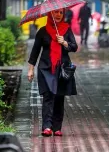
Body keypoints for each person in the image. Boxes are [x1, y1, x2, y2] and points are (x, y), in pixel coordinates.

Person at [27, 8, 78, 137]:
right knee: (48, 97)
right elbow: (35, 51)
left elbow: (74, 47)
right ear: (50, 14)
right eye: (55, 12)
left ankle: (57, 127)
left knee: (59, 97)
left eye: (61, 12)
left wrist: (65, 43)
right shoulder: (43, 31)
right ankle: (47, 127)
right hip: (46, 68)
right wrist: (31, 69)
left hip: (62, 69)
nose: (58, 15)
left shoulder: (66, 29)